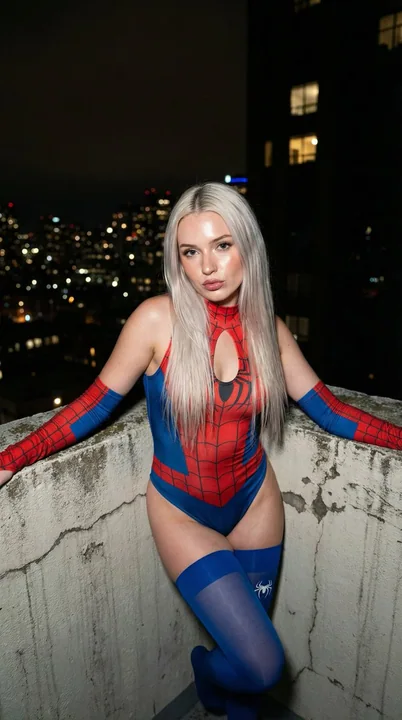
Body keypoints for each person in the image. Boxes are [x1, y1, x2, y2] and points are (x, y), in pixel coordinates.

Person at [1, 182, 401, 719]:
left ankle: (224, 697)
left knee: (248, 675)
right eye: (190, 252)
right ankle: (205, 669)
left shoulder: (270, 331)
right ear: (178, 261)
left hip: (256, 503)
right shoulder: (155, 320)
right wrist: (11, 457)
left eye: (222, 245)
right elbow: (92, 406)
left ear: (248, 247)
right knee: (261, 665)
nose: (207, 267)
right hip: (181, 510)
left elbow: (331, 411)